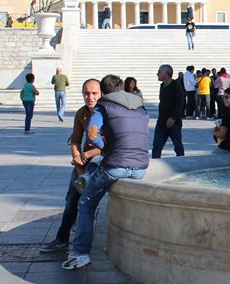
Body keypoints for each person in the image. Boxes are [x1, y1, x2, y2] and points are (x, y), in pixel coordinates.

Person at [62, 74, 149, 270]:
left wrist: (104, 146)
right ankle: (87, 175)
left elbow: (92, 134)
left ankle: (80, 253)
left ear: (103, 92)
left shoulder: (103, 106)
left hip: (116, 167)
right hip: (141, 167)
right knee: (97, 165)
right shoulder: (140, 107)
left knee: (85, 204)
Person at [40, 79, 102, 253]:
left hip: (104, 159)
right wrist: (78, 161)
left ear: (101, 94)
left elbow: (110, 145)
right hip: (84, 161)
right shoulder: (81, 113)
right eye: (86, 93)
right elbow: (75, 140)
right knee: (71, 198)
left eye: (94, 93)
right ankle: (62, 238)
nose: (90, 97)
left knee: (90, 202)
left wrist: (88, 154)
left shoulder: (107, 113)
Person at [152, 64, 185, 158]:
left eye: (159, 72)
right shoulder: (162, 86)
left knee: (178, 146)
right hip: (161, 122)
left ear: (166, 73)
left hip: (174, 122)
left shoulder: (176, 85)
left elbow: (180, 103)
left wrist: (173, 117)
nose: (157, 74)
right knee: (157, 146)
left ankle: (182, 164)